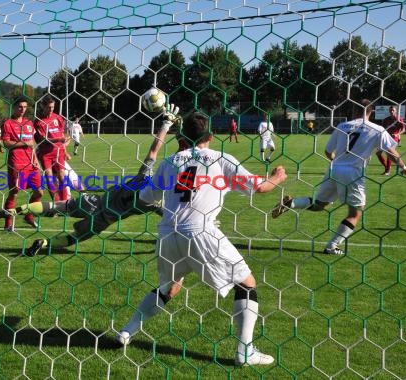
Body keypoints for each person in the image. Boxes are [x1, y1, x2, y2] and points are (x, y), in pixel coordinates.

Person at [115, 112, 287, 366]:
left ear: (183, 136)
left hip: (168, 233)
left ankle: (127, 331)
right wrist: (276, 178)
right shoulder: (220, 159)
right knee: (246, 284)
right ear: (210, 136)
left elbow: (145, 199)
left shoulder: (171, 161)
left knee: (170, 287)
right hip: (201, 232)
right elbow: (259, 187)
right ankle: (245, 351)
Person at [0, 104, 183, 256]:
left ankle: (14, 210)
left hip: (93, 201)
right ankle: (43, 244)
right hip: (102, 220)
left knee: (57, 206)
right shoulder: (155, 202)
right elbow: (171, 216)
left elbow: (154, 150)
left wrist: (166, 125)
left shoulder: (144, 177)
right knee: (73, 238)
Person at [272, 99, 406, 255]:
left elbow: (328, 152)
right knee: (355, 214)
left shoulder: (342, 126)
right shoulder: (377, 129)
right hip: (353, 174)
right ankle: (332, 246)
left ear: (353, 111)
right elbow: (391, 153)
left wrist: (338, 162)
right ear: (371, 112)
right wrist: (403, 166)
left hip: (334, 169)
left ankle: (292, 203)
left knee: (319, 205)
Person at [1, 97, 43, 231]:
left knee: (39, 192)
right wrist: (24, 143)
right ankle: (8, 223)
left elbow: (32, 144)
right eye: (20, 107)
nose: (23, 109)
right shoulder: (7, 123)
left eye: (25, 107)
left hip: (30, 163)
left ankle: (29, 216)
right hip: (16, 163)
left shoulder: (29, 123)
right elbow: (6, 143)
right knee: (15, 192)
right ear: (14, 107)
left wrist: (35, 160)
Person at [34, 95, 69, 201]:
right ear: (43, 106)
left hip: (59, 151)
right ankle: (56, 202)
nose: (51, 109)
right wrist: (59, 139)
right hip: (45, 153)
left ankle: (64, 203)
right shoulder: (38, 121)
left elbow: (62, 134)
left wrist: (65, 151)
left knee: (62, 176)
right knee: (49, 177)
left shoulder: (58, 118)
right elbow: (44, 139)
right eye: (49, 107)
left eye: (53, 107)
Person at [376, 105, 405, 175]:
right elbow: (383, 129)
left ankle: (387, 171)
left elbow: (403, 129)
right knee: (378, 153)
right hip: (386, 138)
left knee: (389, 153)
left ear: (396, 111)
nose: (391, 111)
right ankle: (387, 167)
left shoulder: (399, 119)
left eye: (393, 110)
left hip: (394, 139)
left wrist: (398, 134)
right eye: (390, 110)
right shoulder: (386, 120)